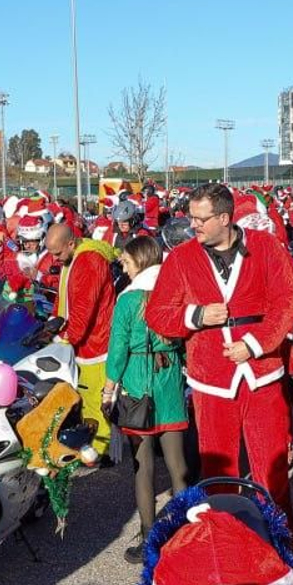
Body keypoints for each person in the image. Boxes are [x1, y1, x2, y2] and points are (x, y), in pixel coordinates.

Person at [145, 183, 293, 547]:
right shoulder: (182, 258)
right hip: (211, 380)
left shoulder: (266, 248)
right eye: (192, 218)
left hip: (262, 374)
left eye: (201, 219)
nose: (194, 226)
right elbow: (157, 313)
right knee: (218, 473)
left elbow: (286, 304)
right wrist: (196, 315)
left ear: (225, 218)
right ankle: (224, 549)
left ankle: (284, 546)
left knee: (272, 470)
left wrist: (253, 344)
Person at [103, 235, 190, 561]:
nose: (123, 269)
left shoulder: (127, 300)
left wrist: (108, 390)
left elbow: (117, 352)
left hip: (137, 381)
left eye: (125, 262)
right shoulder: (173, 293)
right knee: (178, 467)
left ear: (139, 260)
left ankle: (148, 537)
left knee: (143, 467)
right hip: (168, 380)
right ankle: (185, 535)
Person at [47, 221, 117, 457]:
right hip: (85, 344)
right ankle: (95, 447)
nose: (54, 259)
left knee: (97, 399)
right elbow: (64, 298)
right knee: (87, 398)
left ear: (70, 243)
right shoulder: (73, 259)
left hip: (96, 345)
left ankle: (102, 450)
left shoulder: (88, 262)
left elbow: (83, 309)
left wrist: (66, 337)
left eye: (57, 253)